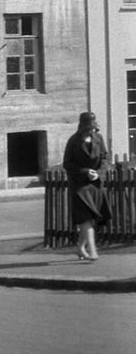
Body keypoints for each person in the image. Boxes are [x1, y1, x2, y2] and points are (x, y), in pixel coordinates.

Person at [62, 111, 111, 261]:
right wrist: (84, 172)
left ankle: (80, 248)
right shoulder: (73, 141)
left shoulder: (99, 139)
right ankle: (93, 250)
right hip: (79, 186)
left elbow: (104, 159)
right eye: (89, 128)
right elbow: (67, 164)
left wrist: (98, 173)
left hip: (94, 185)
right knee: (86, 218)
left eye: (93, 128)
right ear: (82, 127)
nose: (92, 131)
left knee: (90, 218)